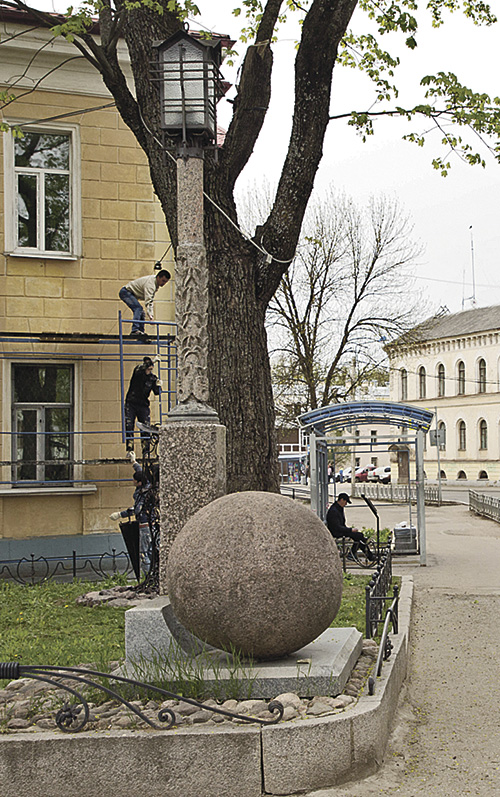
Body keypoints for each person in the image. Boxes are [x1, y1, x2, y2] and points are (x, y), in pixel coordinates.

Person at [110, 452, 152, 572]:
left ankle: (148, 576)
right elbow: (141, 472)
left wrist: (120, 515)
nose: (132, 482)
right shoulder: (146, 483)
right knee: (150, 551)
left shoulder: (143, 494)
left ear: (139, 482)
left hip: (145, 526)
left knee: (144, 553)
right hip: (149, 524)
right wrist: (134, 462)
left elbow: (136, 510)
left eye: (134, 481)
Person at [124, 356, 162, 454]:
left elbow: (157, 392)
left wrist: (159, 386)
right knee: (129, 424)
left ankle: (146, 449)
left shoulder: (152, 378)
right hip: (131, 402)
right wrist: (152, 361)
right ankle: (130, 448)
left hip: (143, 404)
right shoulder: (138, 373)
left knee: (145, 426)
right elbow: (140, 368)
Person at [119, 269, 171, 337]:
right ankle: (135, 330)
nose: (163, 283)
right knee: (138, 309)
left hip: (130, 293)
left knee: (141, 312)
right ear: (158, 277)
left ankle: (140, 332)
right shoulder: (151, 284)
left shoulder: (154, 283)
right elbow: (149, 302)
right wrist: (151, 317)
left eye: (165, 282)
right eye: (163, 281)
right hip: (125, 292)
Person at [326, 492, 374, 560]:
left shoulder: (338, 508)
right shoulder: (334, 511)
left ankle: (366, 555)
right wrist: (350, 530)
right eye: (345, 502)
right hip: (336, 532)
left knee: (359, 536)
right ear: (342, 500)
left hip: (340, 530)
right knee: (359, 536)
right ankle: (360, 554)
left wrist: (349, 530)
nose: (346, 504)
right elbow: (337, 527)